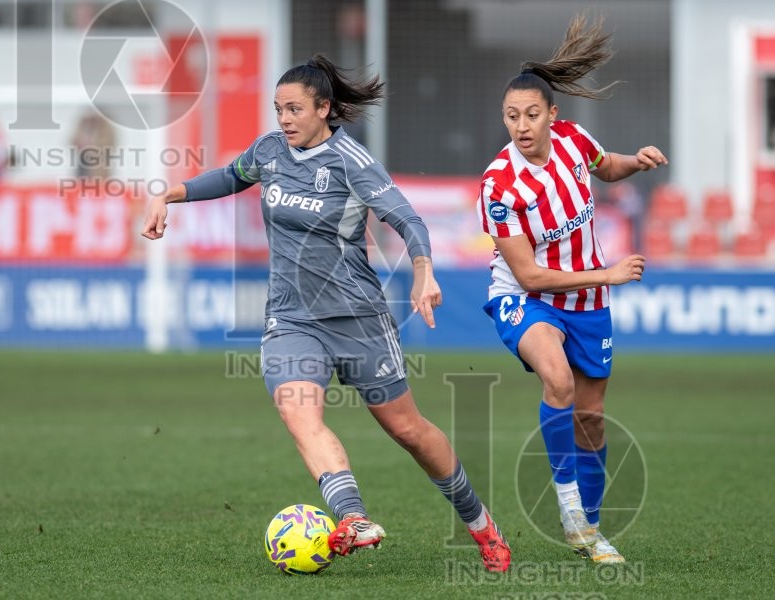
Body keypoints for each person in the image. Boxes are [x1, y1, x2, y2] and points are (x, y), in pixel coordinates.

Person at [143, 53, 510, 571]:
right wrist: (169, 194)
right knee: (298, 411)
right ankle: (353, 519)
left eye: (294, 109)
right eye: (278, 109)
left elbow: (408, 221)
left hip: (358, 318)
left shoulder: (352, 163)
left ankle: (481, 525)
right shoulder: (271, 150)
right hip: (291, 319)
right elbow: (230, 176)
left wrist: (424, 271)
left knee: (408, 431)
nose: (284, 119)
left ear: (324, 109)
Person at [477, 15, 668, 564]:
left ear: (552, 116)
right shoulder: (499, 185)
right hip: (525, 297)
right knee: (556, 377)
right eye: (512, 116)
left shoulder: (573, 140)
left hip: (586, 303)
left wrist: (638, 161)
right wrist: (607, 274)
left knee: (591, 416)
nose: (521, 125)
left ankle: (589, 529)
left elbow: (604, 167)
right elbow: (531, 276)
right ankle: (567, 508)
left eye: (531, 114)